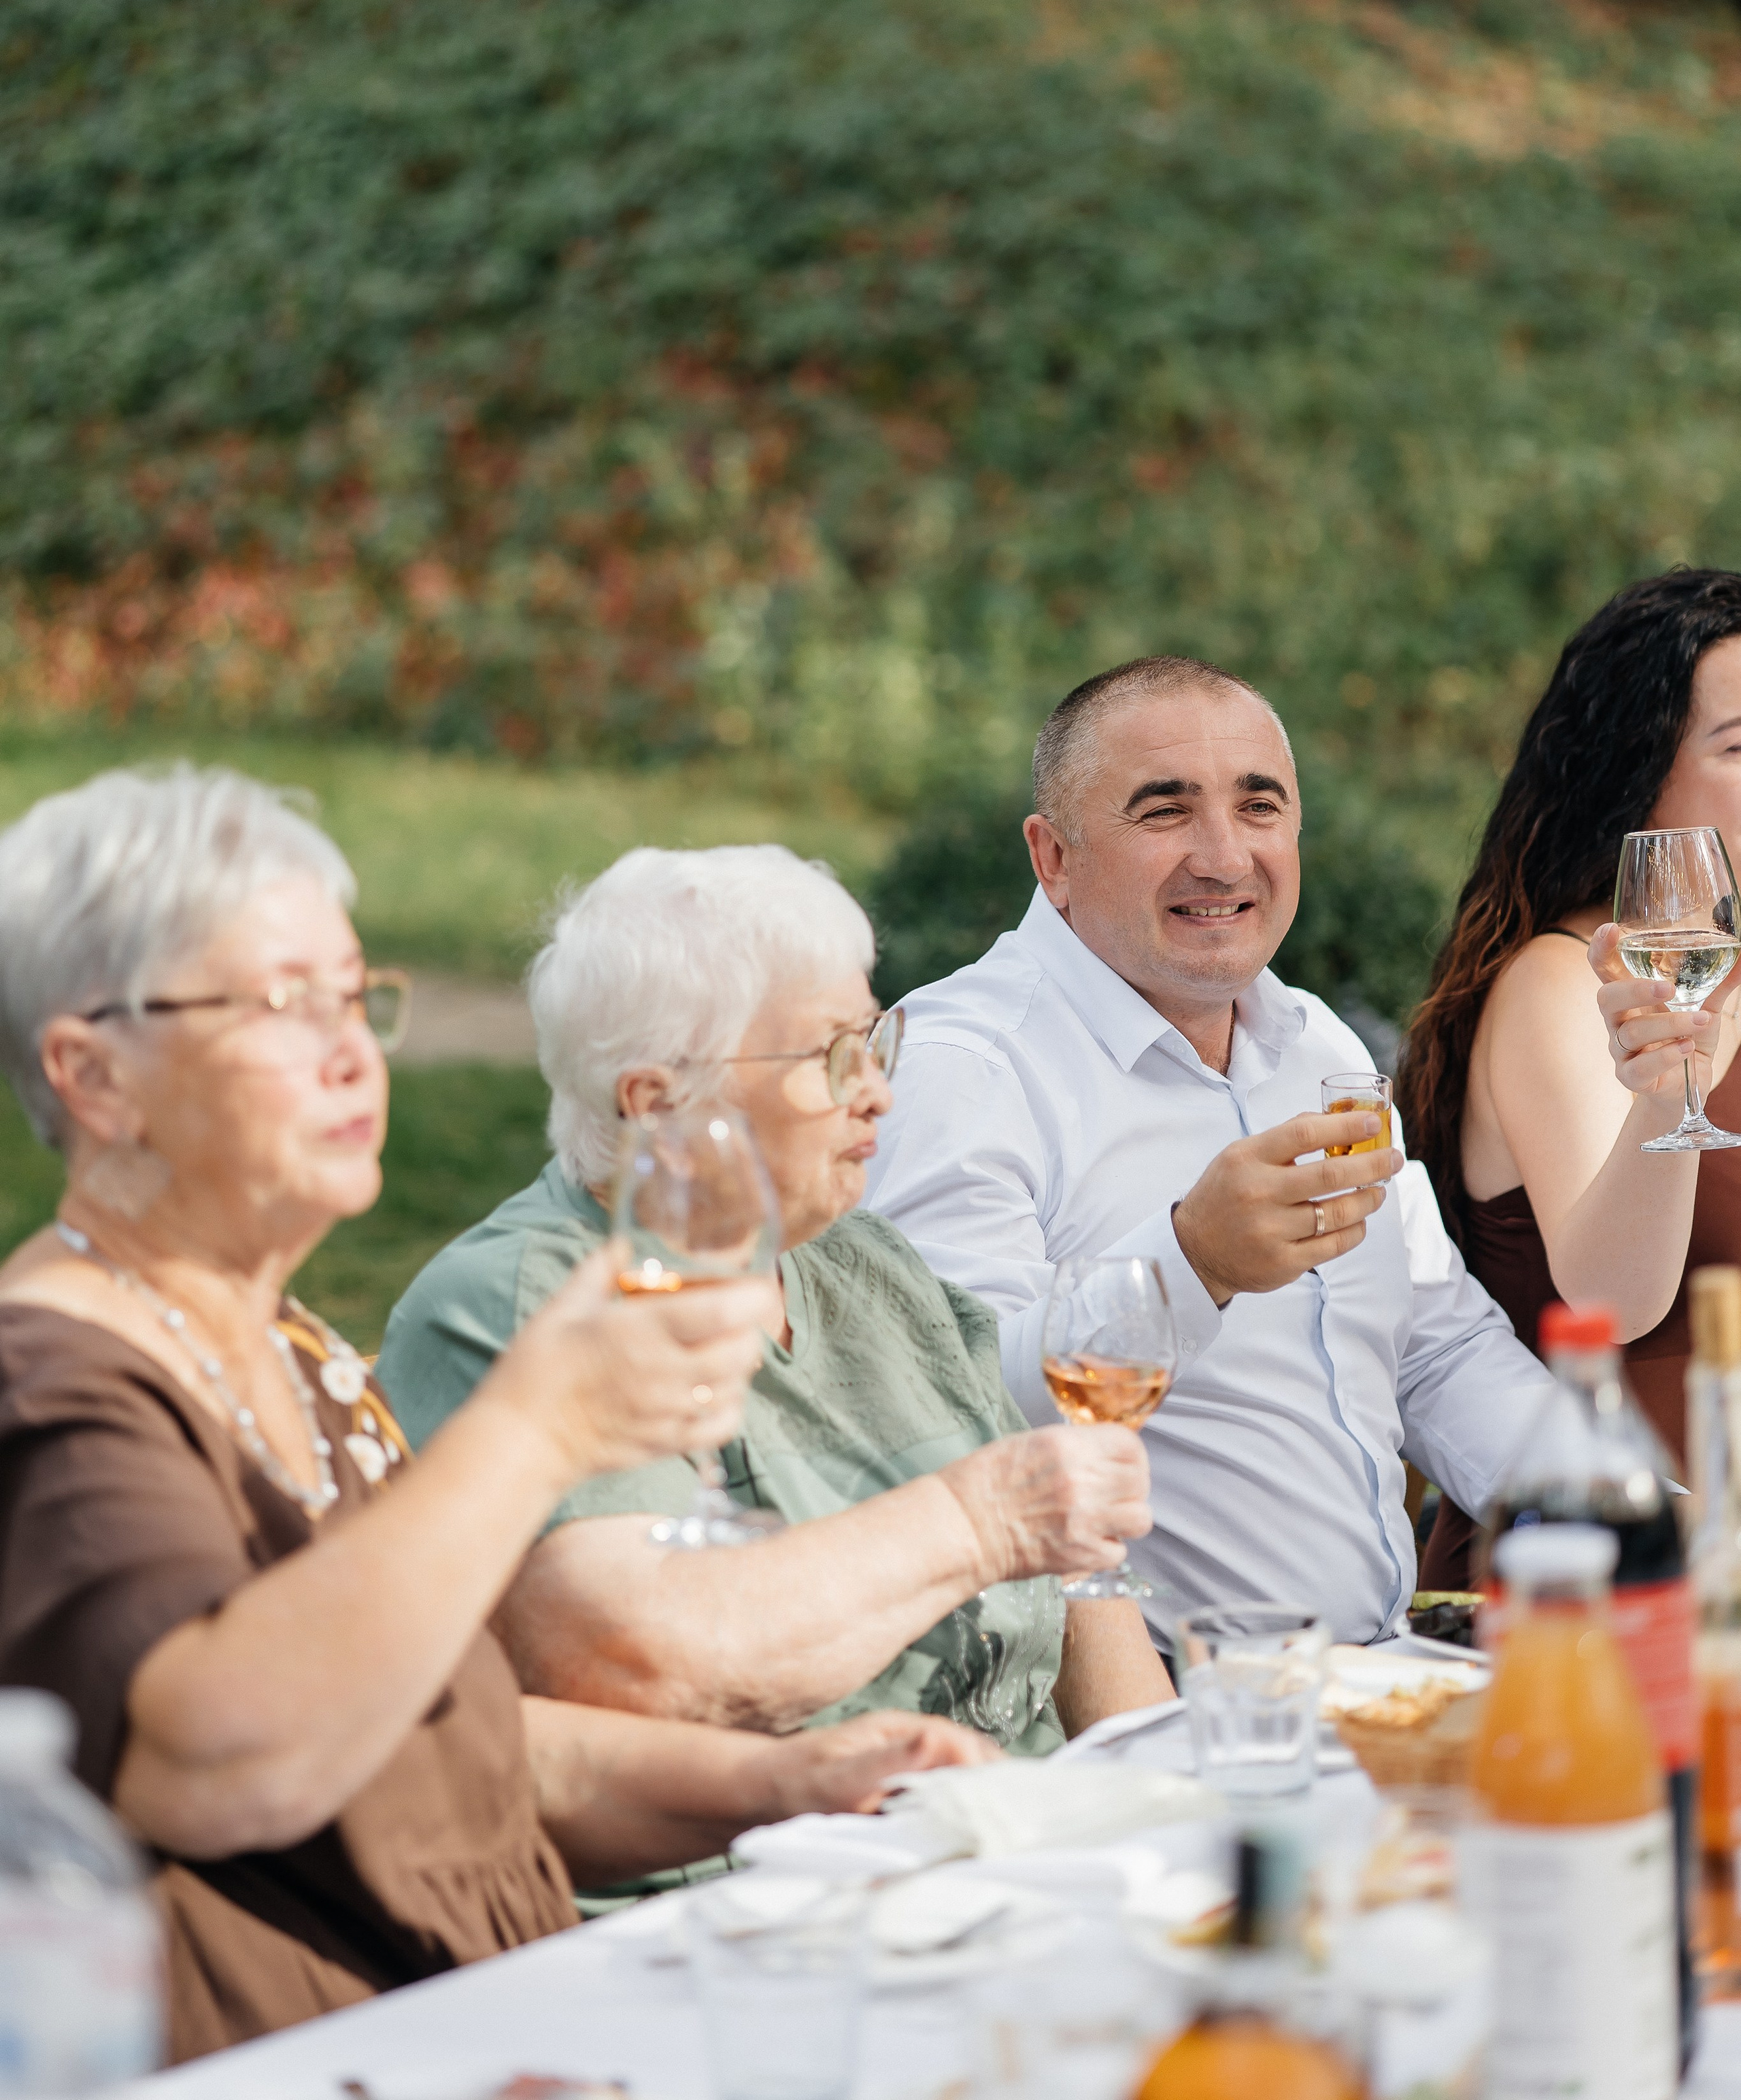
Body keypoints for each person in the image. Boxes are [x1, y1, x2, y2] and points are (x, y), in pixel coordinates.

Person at [0, 768, 990, 2062]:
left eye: (355, 996)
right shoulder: (56, 1384)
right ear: (96, 1077)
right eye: (282, 1004)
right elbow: (224, 1756)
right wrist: (538, 1429)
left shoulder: (289, 1351)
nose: (351, 1046)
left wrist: (789, 1783)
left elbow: (457, 1742)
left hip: (519, 2015)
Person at [379, 844, 1169, 1814]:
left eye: (876, 1042)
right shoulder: (523, 1302)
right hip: (761, 1886)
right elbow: (640, 1663)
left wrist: (1171, 1802)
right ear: (661, 1106)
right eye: (831, 1055)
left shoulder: (866, 1262)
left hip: (1016, 1839)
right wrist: (977, 1521)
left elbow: (1080, 1575)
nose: (877, 1089)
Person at [864, 654, 1561, 1647]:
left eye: (1260, 806)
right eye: (1165, 810)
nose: (1226, 856)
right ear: (1052, 856)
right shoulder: (962, 1069)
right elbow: (945, 1413)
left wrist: (1645, 1519)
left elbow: (1439, 1347)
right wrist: (1192, 1264)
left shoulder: (1316, 1045)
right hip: (1139, 1721)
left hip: (1378, 1681)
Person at [1398, 568, 1741, 1588]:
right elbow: (1613, 1296)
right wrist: (1658, 1094)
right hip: (1605, 1576)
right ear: (1637, 773)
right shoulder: (1559, 985)